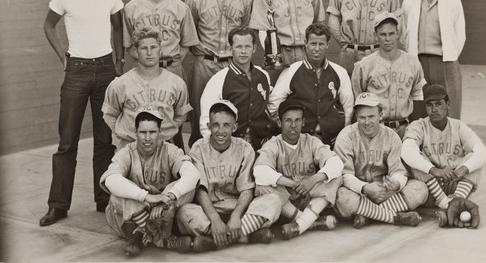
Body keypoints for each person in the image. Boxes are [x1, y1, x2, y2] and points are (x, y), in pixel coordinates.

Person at [40, 0, 124, 226]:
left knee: (104, 140)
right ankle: (58, 205)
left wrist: (119, 64)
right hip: (76, 70)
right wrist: (62, 54)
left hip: (105, 70)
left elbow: (118, 27)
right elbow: (49, 25)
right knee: (67, 141)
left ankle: (103, 199)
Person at [176, 100, 281, 252]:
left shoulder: (245, 148)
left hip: (240, 210)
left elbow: (247, 189)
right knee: (184, 212)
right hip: (210, 211)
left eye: (226, 125)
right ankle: (247, 235)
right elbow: (200, 190)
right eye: (216, 124)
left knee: (274, 200)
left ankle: (215, 241)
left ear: (234, 127)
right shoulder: (198, 148)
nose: (221, 130)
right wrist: (214, 219)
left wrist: (236, 216)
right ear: (209, 126)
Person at [100, 108, 199, 257]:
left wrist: (169, 195)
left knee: (187, 187)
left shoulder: (170, 150)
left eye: (152, 132)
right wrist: (145, 196)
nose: (147, 138)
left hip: (162, 211)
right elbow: (110, 179)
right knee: (116, 195)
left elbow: (192, 174)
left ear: (160, 132)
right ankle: (158, 236)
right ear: (135, 132)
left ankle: (139, 235)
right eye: (143, 132)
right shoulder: (127, 152)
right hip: (133, 215)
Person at [186, 0, 252, 146]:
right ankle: (200, 158)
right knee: (202, 115)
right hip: (206, 62)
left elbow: (246, 32)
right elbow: (188, 32)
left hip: (233, 63)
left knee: (235, 112)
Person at [333, 93, 428, 228]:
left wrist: (395, 183)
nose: (366, 122)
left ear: (381, 115)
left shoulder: (391, 136)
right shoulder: (345, 137)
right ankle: (395, 218)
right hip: (358, 191)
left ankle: (369, 216)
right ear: (356, 117)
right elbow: (345, 176)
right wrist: (365, 188)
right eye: (362, 117)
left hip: (385, 192)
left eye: (371, 116)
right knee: (342, 197)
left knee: (420, 188)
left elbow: (399, 171)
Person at [254, 100, 344, 240]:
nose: (293, 125)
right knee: (262, 185)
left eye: (297, 120)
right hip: (286, 202)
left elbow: (336, 163)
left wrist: (314, 179)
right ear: (279, 122)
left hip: (309, 199)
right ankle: (308, 222)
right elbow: (260, 171)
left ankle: (300, 225)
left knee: (336, 176)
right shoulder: (273, 144)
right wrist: (291, 183)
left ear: (303, 122)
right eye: (288, 120)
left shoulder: (311, 141)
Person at [401, 84, 486, 221]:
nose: (434, 109)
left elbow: (483, 152)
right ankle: (448, 205)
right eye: (429, 105)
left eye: (438, 104)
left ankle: (454, 201)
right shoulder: (419, 126)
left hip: (454, 183)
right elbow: (406, 151)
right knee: (414, 157)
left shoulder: (458, 126)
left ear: (448, 104)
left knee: (473, 158)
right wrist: (433, 170)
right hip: (431, 187)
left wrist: (462, 170)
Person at [102, 27, 192, 151]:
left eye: (153, 47)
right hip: (130, 147)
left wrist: (166, 131)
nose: (149, 53)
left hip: (164, 147)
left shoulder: (176, 83)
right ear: (136, 51)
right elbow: (110, 115)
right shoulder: (121, 84)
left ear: (160, 50)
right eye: (144, 48)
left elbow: (181, 115)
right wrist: (125, 133)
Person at [268, 23, 353, 147]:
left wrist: (340, 138)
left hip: (331, 141)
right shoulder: (291, 71)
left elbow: (348, 109)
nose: (317, 49)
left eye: (321, 44)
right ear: (305, 44)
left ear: (328, 45)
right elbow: (273, 106)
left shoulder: (340, 72)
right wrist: (288, 133)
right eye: (313, 44)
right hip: (300, 141)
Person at [401, 0, 465, 119]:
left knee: (449, 107)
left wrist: (449, 56)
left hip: (444, 62)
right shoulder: (410, 1)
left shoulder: (453, 2)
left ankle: (450, 141)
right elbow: (404, 33)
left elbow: (460, 36)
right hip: (418, 61)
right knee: (419, 106)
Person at [123, 0, 199, 81]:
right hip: (142, 71)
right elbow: (128, 45)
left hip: (172, 69)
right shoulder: (131, 8)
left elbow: (187, 43)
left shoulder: (180, 7)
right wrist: (145, 60)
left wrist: (174, 60)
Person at [351, 11, 426, 138]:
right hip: (376, 130)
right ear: (376, 36)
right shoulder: (364, 66)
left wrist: (416, 128)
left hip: (405, 128)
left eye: (391, 33)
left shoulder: (412, 62)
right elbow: (358, 101)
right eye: (382, 34)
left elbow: (418, 95)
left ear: (397, 34)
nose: (387, 39)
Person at [199, 27, 272, 150]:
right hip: (231, 145)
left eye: (247, 46)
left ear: (254, 48)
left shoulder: (263, 75)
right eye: (238, 47)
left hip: (261, 143)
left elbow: (270, 107)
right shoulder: (219, 80)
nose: (243, 51)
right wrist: (218, 149)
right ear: (230, 49)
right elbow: (206, 120)